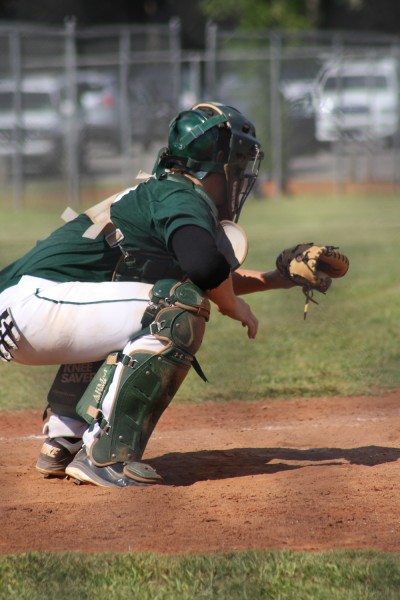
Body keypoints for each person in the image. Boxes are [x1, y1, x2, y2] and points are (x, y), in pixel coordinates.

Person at [0, 101, 293, 488]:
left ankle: (64, 439)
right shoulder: (181, 195)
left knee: (144, 308)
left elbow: (205, 273)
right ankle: (106, 455)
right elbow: (205, 270)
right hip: (35, 306)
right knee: (172, 309)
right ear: (217, 161)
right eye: (237, 160)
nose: (240, 172)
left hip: (26, 310)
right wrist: (235, 307)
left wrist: (277, 278)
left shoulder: (161, 192)